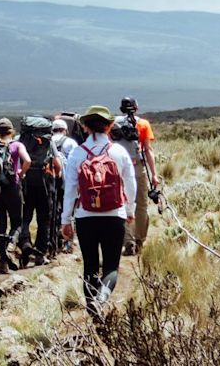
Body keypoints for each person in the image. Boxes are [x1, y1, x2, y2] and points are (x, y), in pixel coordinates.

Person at [61, 105, 136, 319]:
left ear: (85, 127)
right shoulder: (119, 152)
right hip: (115, 216)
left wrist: (65, 220)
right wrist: (129, 210)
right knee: (111, 266)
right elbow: (131, 186)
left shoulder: (77, 153)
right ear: (110, 126)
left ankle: (93, 314)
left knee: (90, 266)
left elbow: (70, 190)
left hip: (86, 217)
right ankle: (102, 297)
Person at [0, 117, 31, 274]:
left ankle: (3, 263)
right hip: (13, 188)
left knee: (1, 225)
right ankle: (11, 246)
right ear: (12, 131)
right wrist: (21, 173)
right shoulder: (17, 145)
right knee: (17, 222)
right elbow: (27, 160)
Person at [114, 96, 160, 256]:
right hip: (137, 167)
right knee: (141, 205)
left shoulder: (114, 124)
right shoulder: (143, 124)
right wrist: (154, 174)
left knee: (123, 203)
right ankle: (140, 239)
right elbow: (148, 150)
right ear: (136, 108)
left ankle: (128, 241)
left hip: (119, 168)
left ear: (121, 109)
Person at [19, 116, 63, 266]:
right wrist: (57, 177)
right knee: (44, 219)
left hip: (24, 182)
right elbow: (57, 164)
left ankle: (25, 242)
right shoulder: (48, 141)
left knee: (25, 216)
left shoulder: (19, 139)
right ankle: (40, 253)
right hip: (45, 183)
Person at [52, 118, 78, 253]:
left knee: (53, 211)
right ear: (65, 130)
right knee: (67, 211)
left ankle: (53, 242)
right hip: (66, 183)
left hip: (50, 182)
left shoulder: (48, 142)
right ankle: (68, 243)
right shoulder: (70, 142)